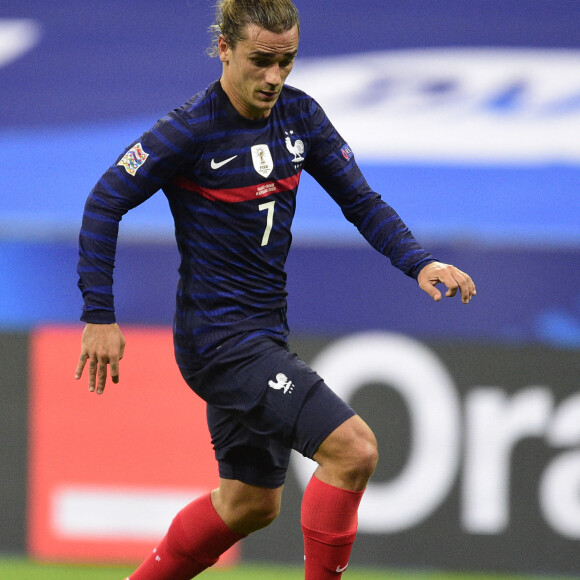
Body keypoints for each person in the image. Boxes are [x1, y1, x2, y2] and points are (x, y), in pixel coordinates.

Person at [75, 0, 476, 578]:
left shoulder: (301, 117)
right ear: (225, 50)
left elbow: (360, 199)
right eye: (261, 61)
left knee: (250, 505)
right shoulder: (189, 130)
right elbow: (104, 201)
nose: (274, 77)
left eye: (286, 61)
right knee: (354, 449)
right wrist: (99, 315)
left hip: (264, 335)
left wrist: (418, 262)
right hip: (219, 342)